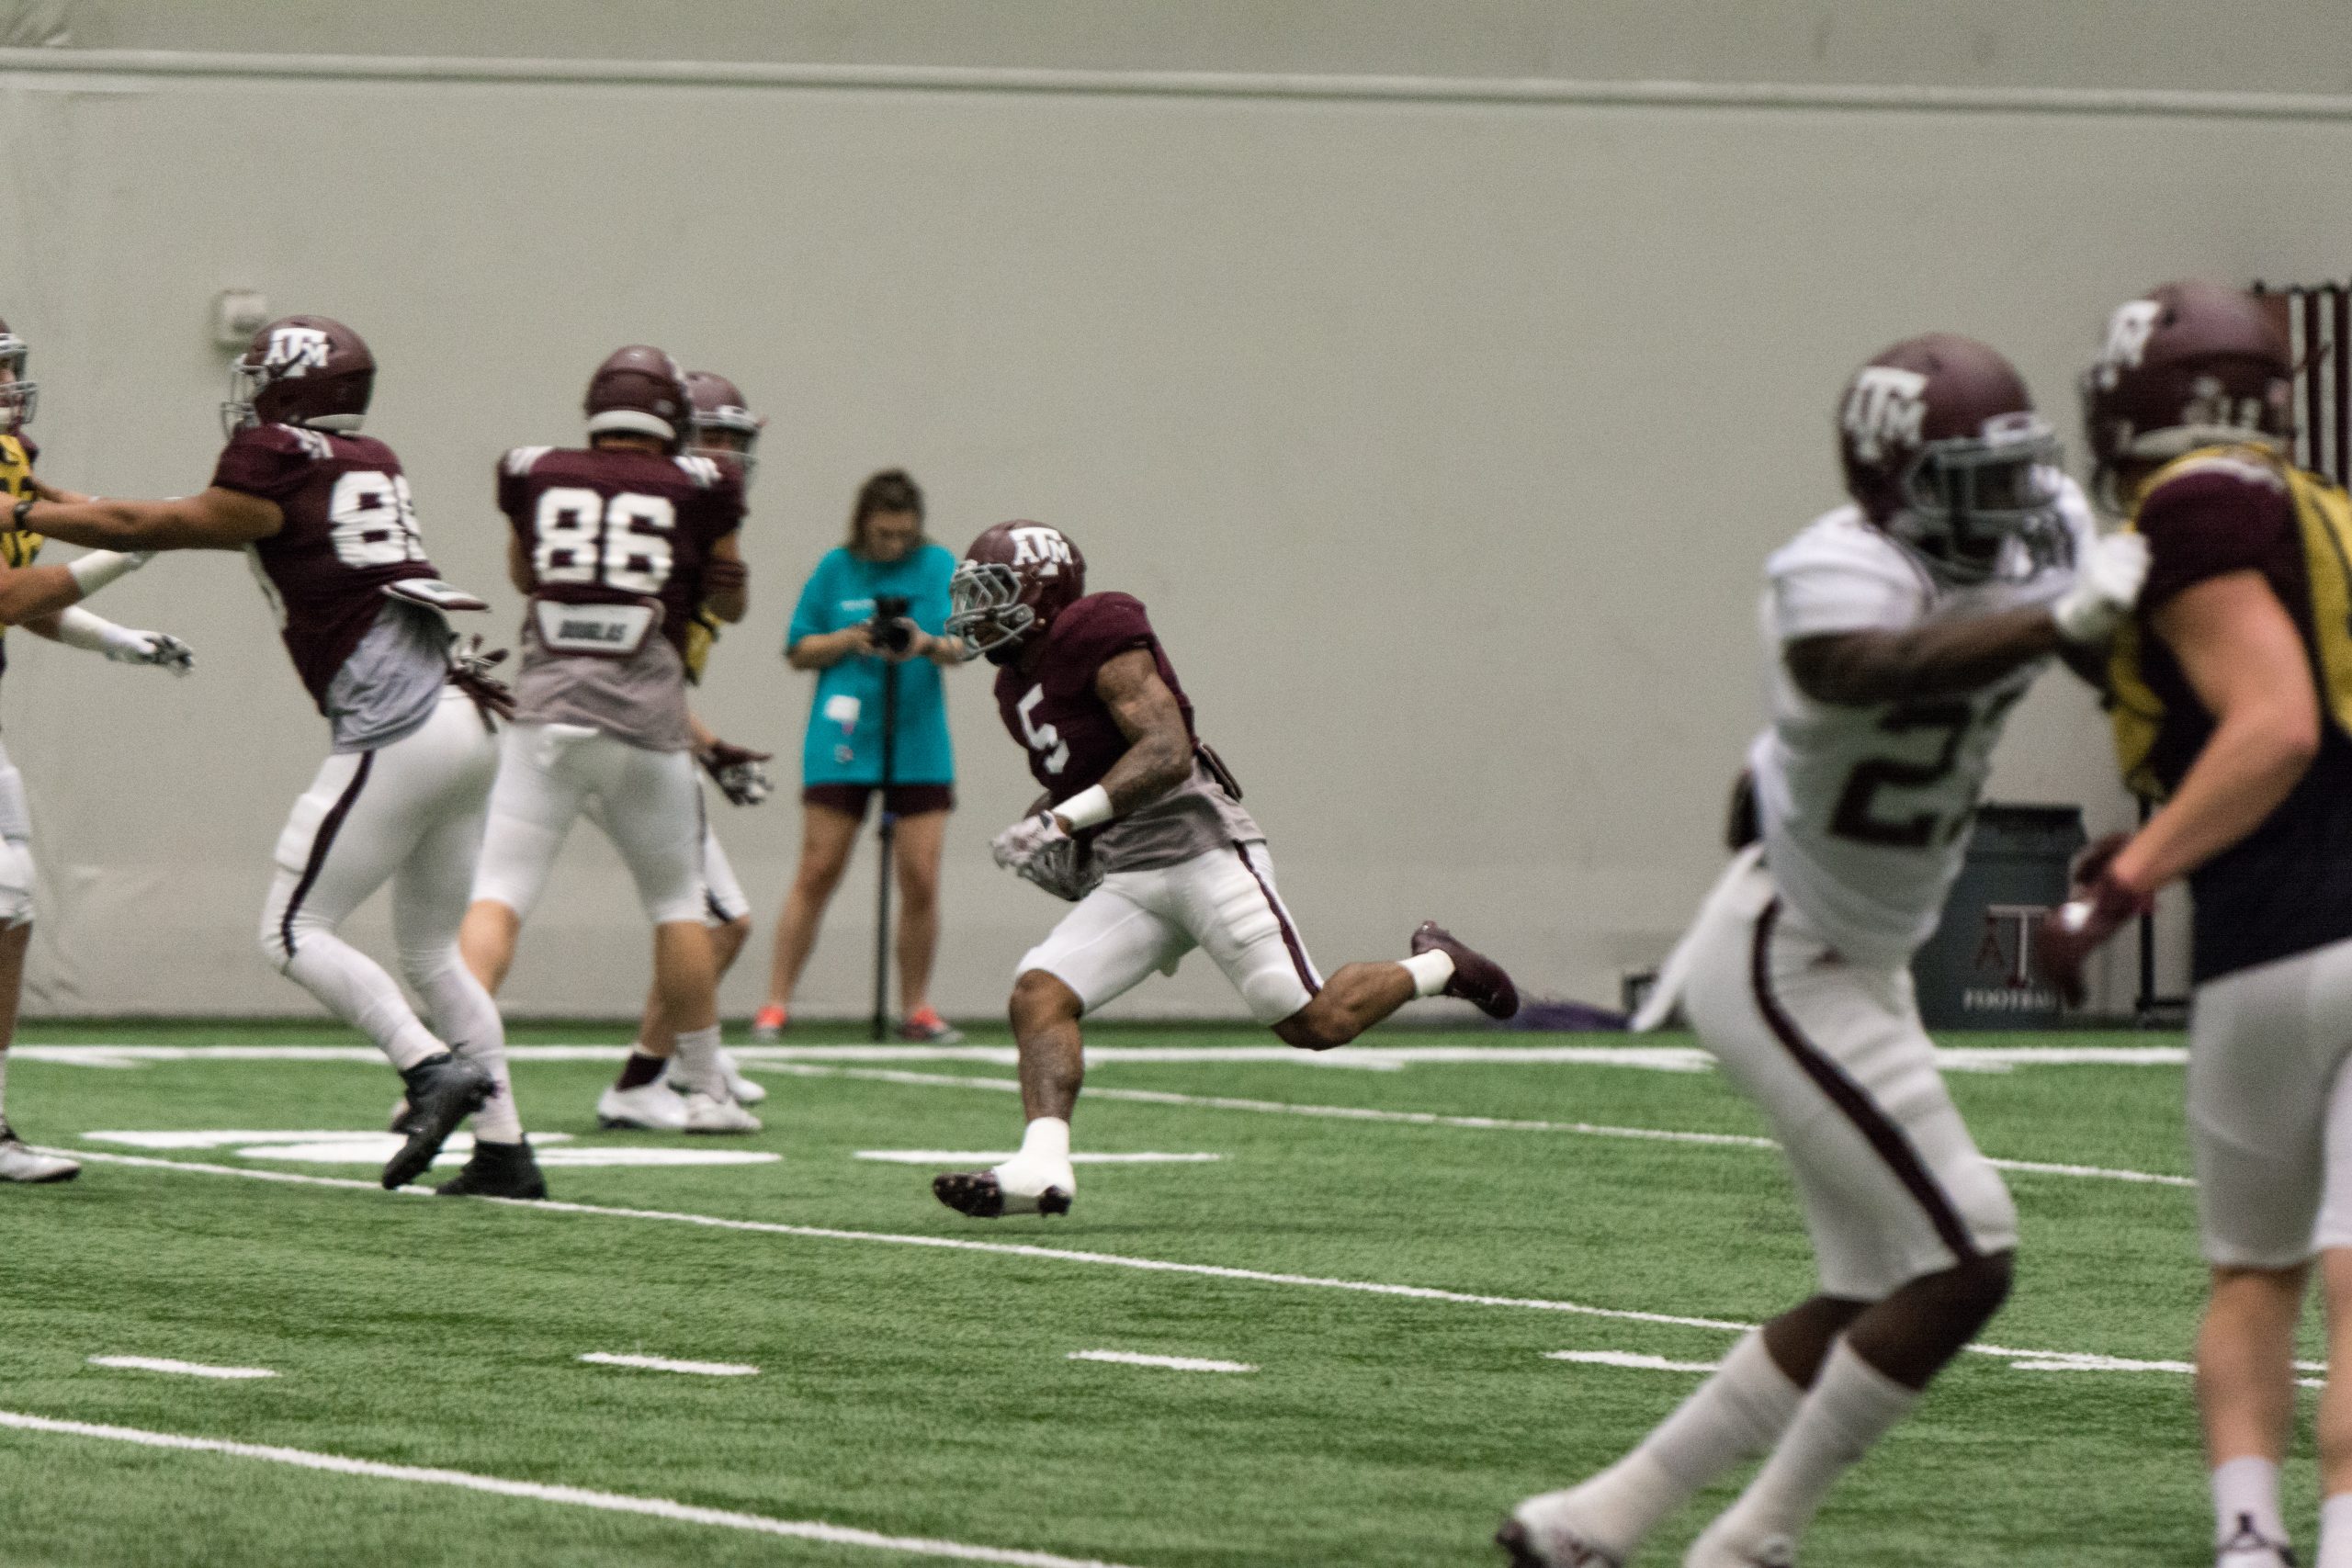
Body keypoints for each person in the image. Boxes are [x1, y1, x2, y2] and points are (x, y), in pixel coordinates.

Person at [1499, 334, 2147, 1567]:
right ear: (1898, 484)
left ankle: (1592, 1518)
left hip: (1860, 948)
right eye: (1975, 477)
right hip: (1787, 953)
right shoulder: (1831, 570)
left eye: (2017, 472)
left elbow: (2104, 649)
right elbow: (1871, 665)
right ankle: (1751, 1539)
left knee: (1876, 1283)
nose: (2011, 505)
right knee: (1969, 1253)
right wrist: (2059, 615)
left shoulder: (2040, 529)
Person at [14, 314, 537, 1196]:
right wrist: (35, 495)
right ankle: (505, 1149)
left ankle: (426, 1068)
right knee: (434, 953)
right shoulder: (367, 458)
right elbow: (124, 514)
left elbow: (140, 522)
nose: (248, 393)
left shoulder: (271, 464)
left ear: (290, 387)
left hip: (400, 726)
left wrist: (18, 507)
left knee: (292, 930)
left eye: (261, 377)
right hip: (468, 716)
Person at [931, 520, 1520, 1221]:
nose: (978, 612)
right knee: (1038, 992)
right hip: (1131, 874)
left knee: (1314, 1022)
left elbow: (1165, 751)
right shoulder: (1013, 686)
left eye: (992, 592)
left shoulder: (1097, 626)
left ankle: (1440, 966)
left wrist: (1060, 822)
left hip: (1203, 850)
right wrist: (1051, 833)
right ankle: (1042, 1167)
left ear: (1043, 589)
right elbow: (1085, 776)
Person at [2036, 281, 2352, 1568]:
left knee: (2259, 1269)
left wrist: (2131, 875)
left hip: (2278, 935)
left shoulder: (2200, 504)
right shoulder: (2325, 504)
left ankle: (2248, 1533)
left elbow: (2273, 725)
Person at [458, 345, 761, 1134]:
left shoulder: (532, 468)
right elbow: (730, 604)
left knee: (498, 895)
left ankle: (446, 1065)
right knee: (677, 905)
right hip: (647, 725)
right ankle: (705, 1090)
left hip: (546, 714)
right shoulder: (704, 484)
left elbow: (526, 576)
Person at [0, 315, 196, 1183]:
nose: (11, 388)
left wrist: (119, 638)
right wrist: (133, 545)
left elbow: (32, 592)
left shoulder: (11, 461)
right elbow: (7, 593)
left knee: (8, 906)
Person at [594, 368, 773, 1130]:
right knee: (718, 919)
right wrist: (705, 745)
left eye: (739, 440)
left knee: (694, 916)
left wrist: (708, 745)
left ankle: (676, 1056)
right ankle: (657, 1069)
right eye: (715, 438)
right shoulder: (670, 528)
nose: (729, 455)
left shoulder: (674, 519)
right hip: (622, 737)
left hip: (616, 729)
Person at [752, 469, 964, 1043]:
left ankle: (916, 1006)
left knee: (920, 876)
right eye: (882, 534)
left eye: (903, 534)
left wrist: (925, 643)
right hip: (843, 739)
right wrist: (851, 636)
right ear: (863, 526)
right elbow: (798, 648)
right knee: (818, 868)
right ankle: (775, 1004)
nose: (893, 544)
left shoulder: (939, 566)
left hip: (917, 738)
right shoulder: (835, 569)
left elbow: (963, 645)